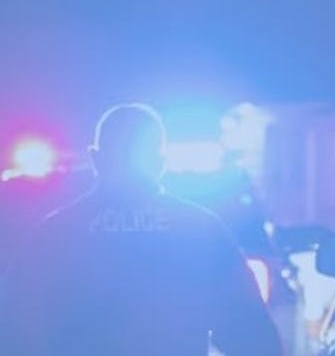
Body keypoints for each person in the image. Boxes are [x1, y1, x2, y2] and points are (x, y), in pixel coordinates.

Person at [0, 103, 283, 356]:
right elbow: (250, 335)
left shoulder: (56, 233)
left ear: (96, 159)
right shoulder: (200, 229)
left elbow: (15, 328)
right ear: (161, 162)